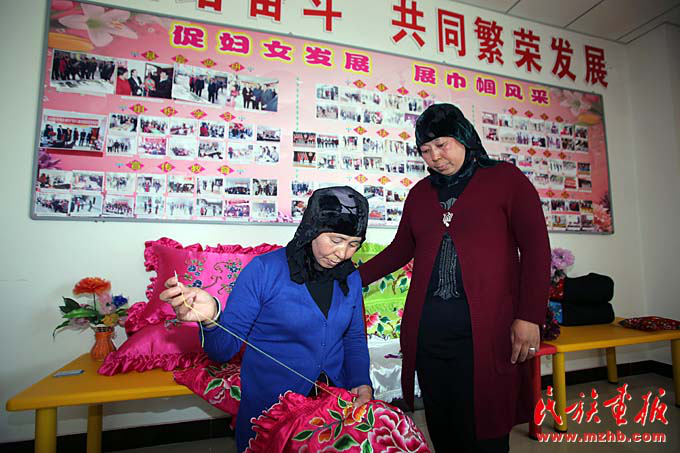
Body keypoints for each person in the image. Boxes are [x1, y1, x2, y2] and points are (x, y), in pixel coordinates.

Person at [358, 103, 550, 452]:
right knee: (443, 428)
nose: (434, 156)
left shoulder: (506, 180)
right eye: (425, 150)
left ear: (463, 137)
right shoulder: (420, 194)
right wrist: (350, 279)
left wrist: (529, 316)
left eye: (441, 144)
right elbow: (400, 250)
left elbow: (537, 251)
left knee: (486, 434)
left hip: (487, 334)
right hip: (429, 335)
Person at [160, 186, 373, 453]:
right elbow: (222, 350)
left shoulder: (349, 277)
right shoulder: (264, 270)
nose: (343, 253)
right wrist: (211, 317)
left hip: (332, 409)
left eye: (353, 244)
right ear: (313, 228)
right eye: (336, 240)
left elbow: (354, 338)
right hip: (271, 410)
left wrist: (361, 381)